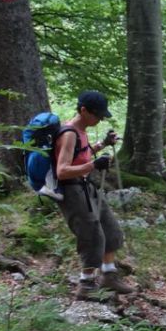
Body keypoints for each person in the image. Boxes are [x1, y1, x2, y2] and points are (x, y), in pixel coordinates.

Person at [54, 90, 133, 300]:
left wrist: (103, 144)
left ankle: (109, 275)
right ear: (83, 110)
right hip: (71, 190)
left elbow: (82, 155)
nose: (99, 119)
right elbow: (61, 171)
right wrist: (93, 165)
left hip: (86, 186)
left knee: (110, 228)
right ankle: (85, 285)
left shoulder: (82, 130)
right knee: (92, 234)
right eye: (97, 115)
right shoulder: (69, 133)